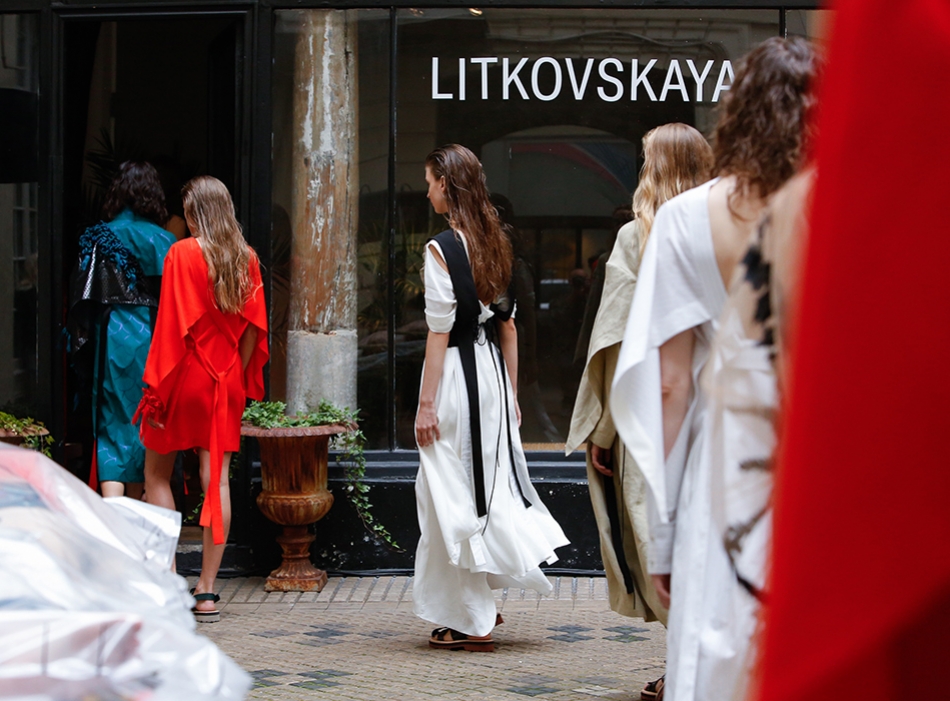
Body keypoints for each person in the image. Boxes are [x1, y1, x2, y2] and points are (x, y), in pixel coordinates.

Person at [610, 37, 817, 701]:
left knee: (718, 642)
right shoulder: (845, 205)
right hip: (821, 446)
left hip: (725, 456)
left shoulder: (681, 219)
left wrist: (664, 536)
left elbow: (670, 385)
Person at [566, 123, 713, 700]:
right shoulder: (727, 224)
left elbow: (615, 340)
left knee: (657, 539)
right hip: (719, 410)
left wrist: (602, 429)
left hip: (653, 411)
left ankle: (688, 673)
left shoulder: (639, 235)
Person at [413, 144, 569, 652]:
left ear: (446, 184)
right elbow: (509, 327)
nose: (428, 191)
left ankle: (474, 620)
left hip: (456, 379)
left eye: (431, 182)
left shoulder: (441, 248)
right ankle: (478, 604)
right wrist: (512, 394)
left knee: (448, 494)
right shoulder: (495, 242)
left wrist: (426, 404)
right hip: (491, 378)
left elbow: (439, 332)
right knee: (480, 488)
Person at [134, 176, 268, 623]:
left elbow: (170, 327)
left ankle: (172, 581)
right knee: (218, 481)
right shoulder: (246, 257)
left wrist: (156, 386)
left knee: (156, 474)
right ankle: (207, 590)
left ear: (194, 213)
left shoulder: (181, 253)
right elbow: (253, 332)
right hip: (224, 380)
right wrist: (234, 374)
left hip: (183, 376)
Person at [69, 161, 176, 499]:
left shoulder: (101, 237)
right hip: (154, 339)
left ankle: (113, 516)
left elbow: (83, 299)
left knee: (112, 429)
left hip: (113, 335)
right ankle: (137, 509)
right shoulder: (165, 241)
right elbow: (175, 302)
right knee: (147, 426)